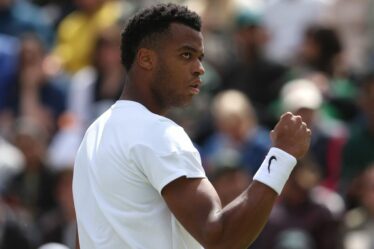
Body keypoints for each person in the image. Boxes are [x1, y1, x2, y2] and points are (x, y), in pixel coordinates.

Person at [72, 3, 311, 249]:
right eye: (186, 55)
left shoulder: (91, 138)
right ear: (145, 59)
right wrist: (281, 156)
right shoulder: (157, 133)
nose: (200, 69)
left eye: (200, 57)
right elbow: (221, 238)